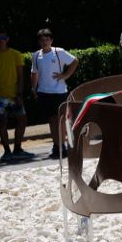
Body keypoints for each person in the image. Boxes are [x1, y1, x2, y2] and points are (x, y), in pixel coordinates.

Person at [28, 29, 77, 159]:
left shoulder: (58, 52)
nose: (44, 42)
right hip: (44, 92)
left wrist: (65, 75)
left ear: (51, 40)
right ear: (39, 42)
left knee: (61, 120)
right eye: (42, 40)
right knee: (52, 120)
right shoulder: (36, 55)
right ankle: (57, 146)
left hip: (59, 91)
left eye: (47, 39)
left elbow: (74, 61)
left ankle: (63, 145)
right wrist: (33, 89)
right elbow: (34, 73)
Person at [0, 33, 29, 159]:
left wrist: (19, 94)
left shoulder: (16, 54)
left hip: (14, 95)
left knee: (22, 119)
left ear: (7, 39)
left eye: (3, 37)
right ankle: (7, 151)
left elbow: (20, 76)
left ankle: (17, 148)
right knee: (2, 123)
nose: (1, 40)